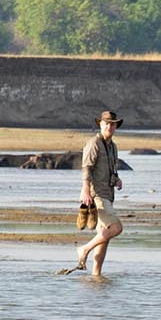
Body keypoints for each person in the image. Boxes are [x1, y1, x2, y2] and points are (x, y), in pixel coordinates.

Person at [61, 109, 125, 275]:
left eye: (112, 124)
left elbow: (110, 168)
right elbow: (86, 168)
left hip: (108, 193)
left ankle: (96, 275)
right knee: (116, 227)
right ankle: (84, 249)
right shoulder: (94, 144)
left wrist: (116, 179)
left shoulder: (113, 146)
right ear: (101, 125)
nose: (109, 127)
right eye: (107, 124)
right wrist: (85, 191)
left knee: (104, 238)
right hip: (97, 195)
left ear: (116, 126)